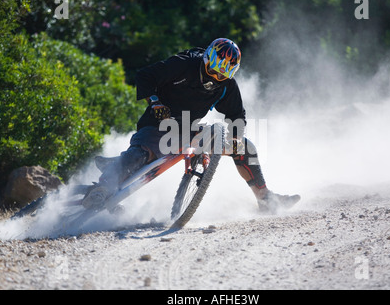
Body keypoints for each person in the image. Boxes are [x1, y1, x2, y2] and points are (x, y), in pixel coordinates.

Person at [82, 38, 300, 212]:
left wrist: (236, 135)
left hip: (189, 130)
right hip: (158, 125)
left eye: (224, 74)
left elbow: (237, 115)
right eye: (214, 70)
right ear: (206, 59)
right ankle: (103, 187)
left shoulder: (226, 85)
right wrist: (155, 102)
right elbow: (145, 76)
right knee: (140, 156)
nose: (216, 78)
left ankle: (265, 199)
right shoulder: (184, 64)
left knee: (245, 147)